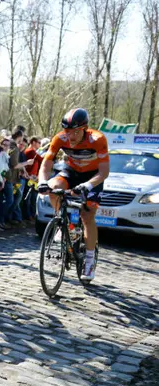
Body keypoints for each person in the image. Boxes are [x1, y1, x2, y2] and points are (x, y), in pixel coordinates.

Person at [37, 108, 109, 281]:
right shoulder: (60, 138)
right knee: (53, 187)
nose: (71, 136)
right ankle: (64, 224)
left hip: (93, 177)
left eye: (75, 132)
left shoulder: (97, 139)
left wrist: (87, 185)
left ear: (84, 129)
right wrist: (42, 182)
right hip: (71, 171)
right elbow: (46, 163)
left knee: (87, 216)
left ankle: (89, 261)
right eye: (68, 131)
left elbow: (104, 172)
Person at [23, 136, 43, 221]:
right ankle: (28, 216)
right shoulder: (30, 151)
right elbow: (42, 160)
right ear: (33, 142)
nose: (40, 144)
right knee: (28, 198)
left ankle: (31, 215)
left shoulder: (33, 152)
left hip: (33, 179)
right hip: (29, 178)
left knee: (32, 198)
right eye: (39, 142)